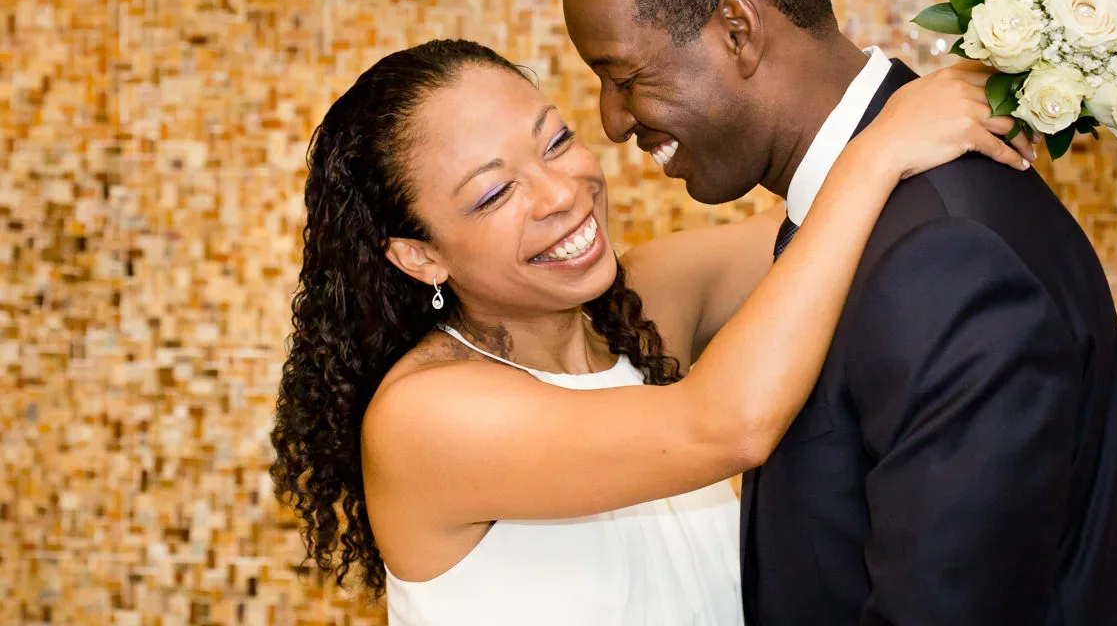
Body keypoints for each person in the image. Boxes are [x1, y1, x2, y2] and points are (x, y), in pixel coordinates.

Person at [561, 0, 1117, 626]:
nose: (611, 119)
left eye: (626, 77)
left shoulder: (943, 258)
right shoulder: (859, 203)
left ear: (737, 29)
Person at [270, 37, 1029, 625]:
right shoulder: (426, 419)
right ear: (420, 254)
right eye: (497, 191)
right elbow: (727, 427)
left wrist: (1032, 63)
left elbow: (815, 223)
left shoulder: (638, 308)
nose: (562, 193)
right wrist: (884, 147)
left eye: (557, 141)